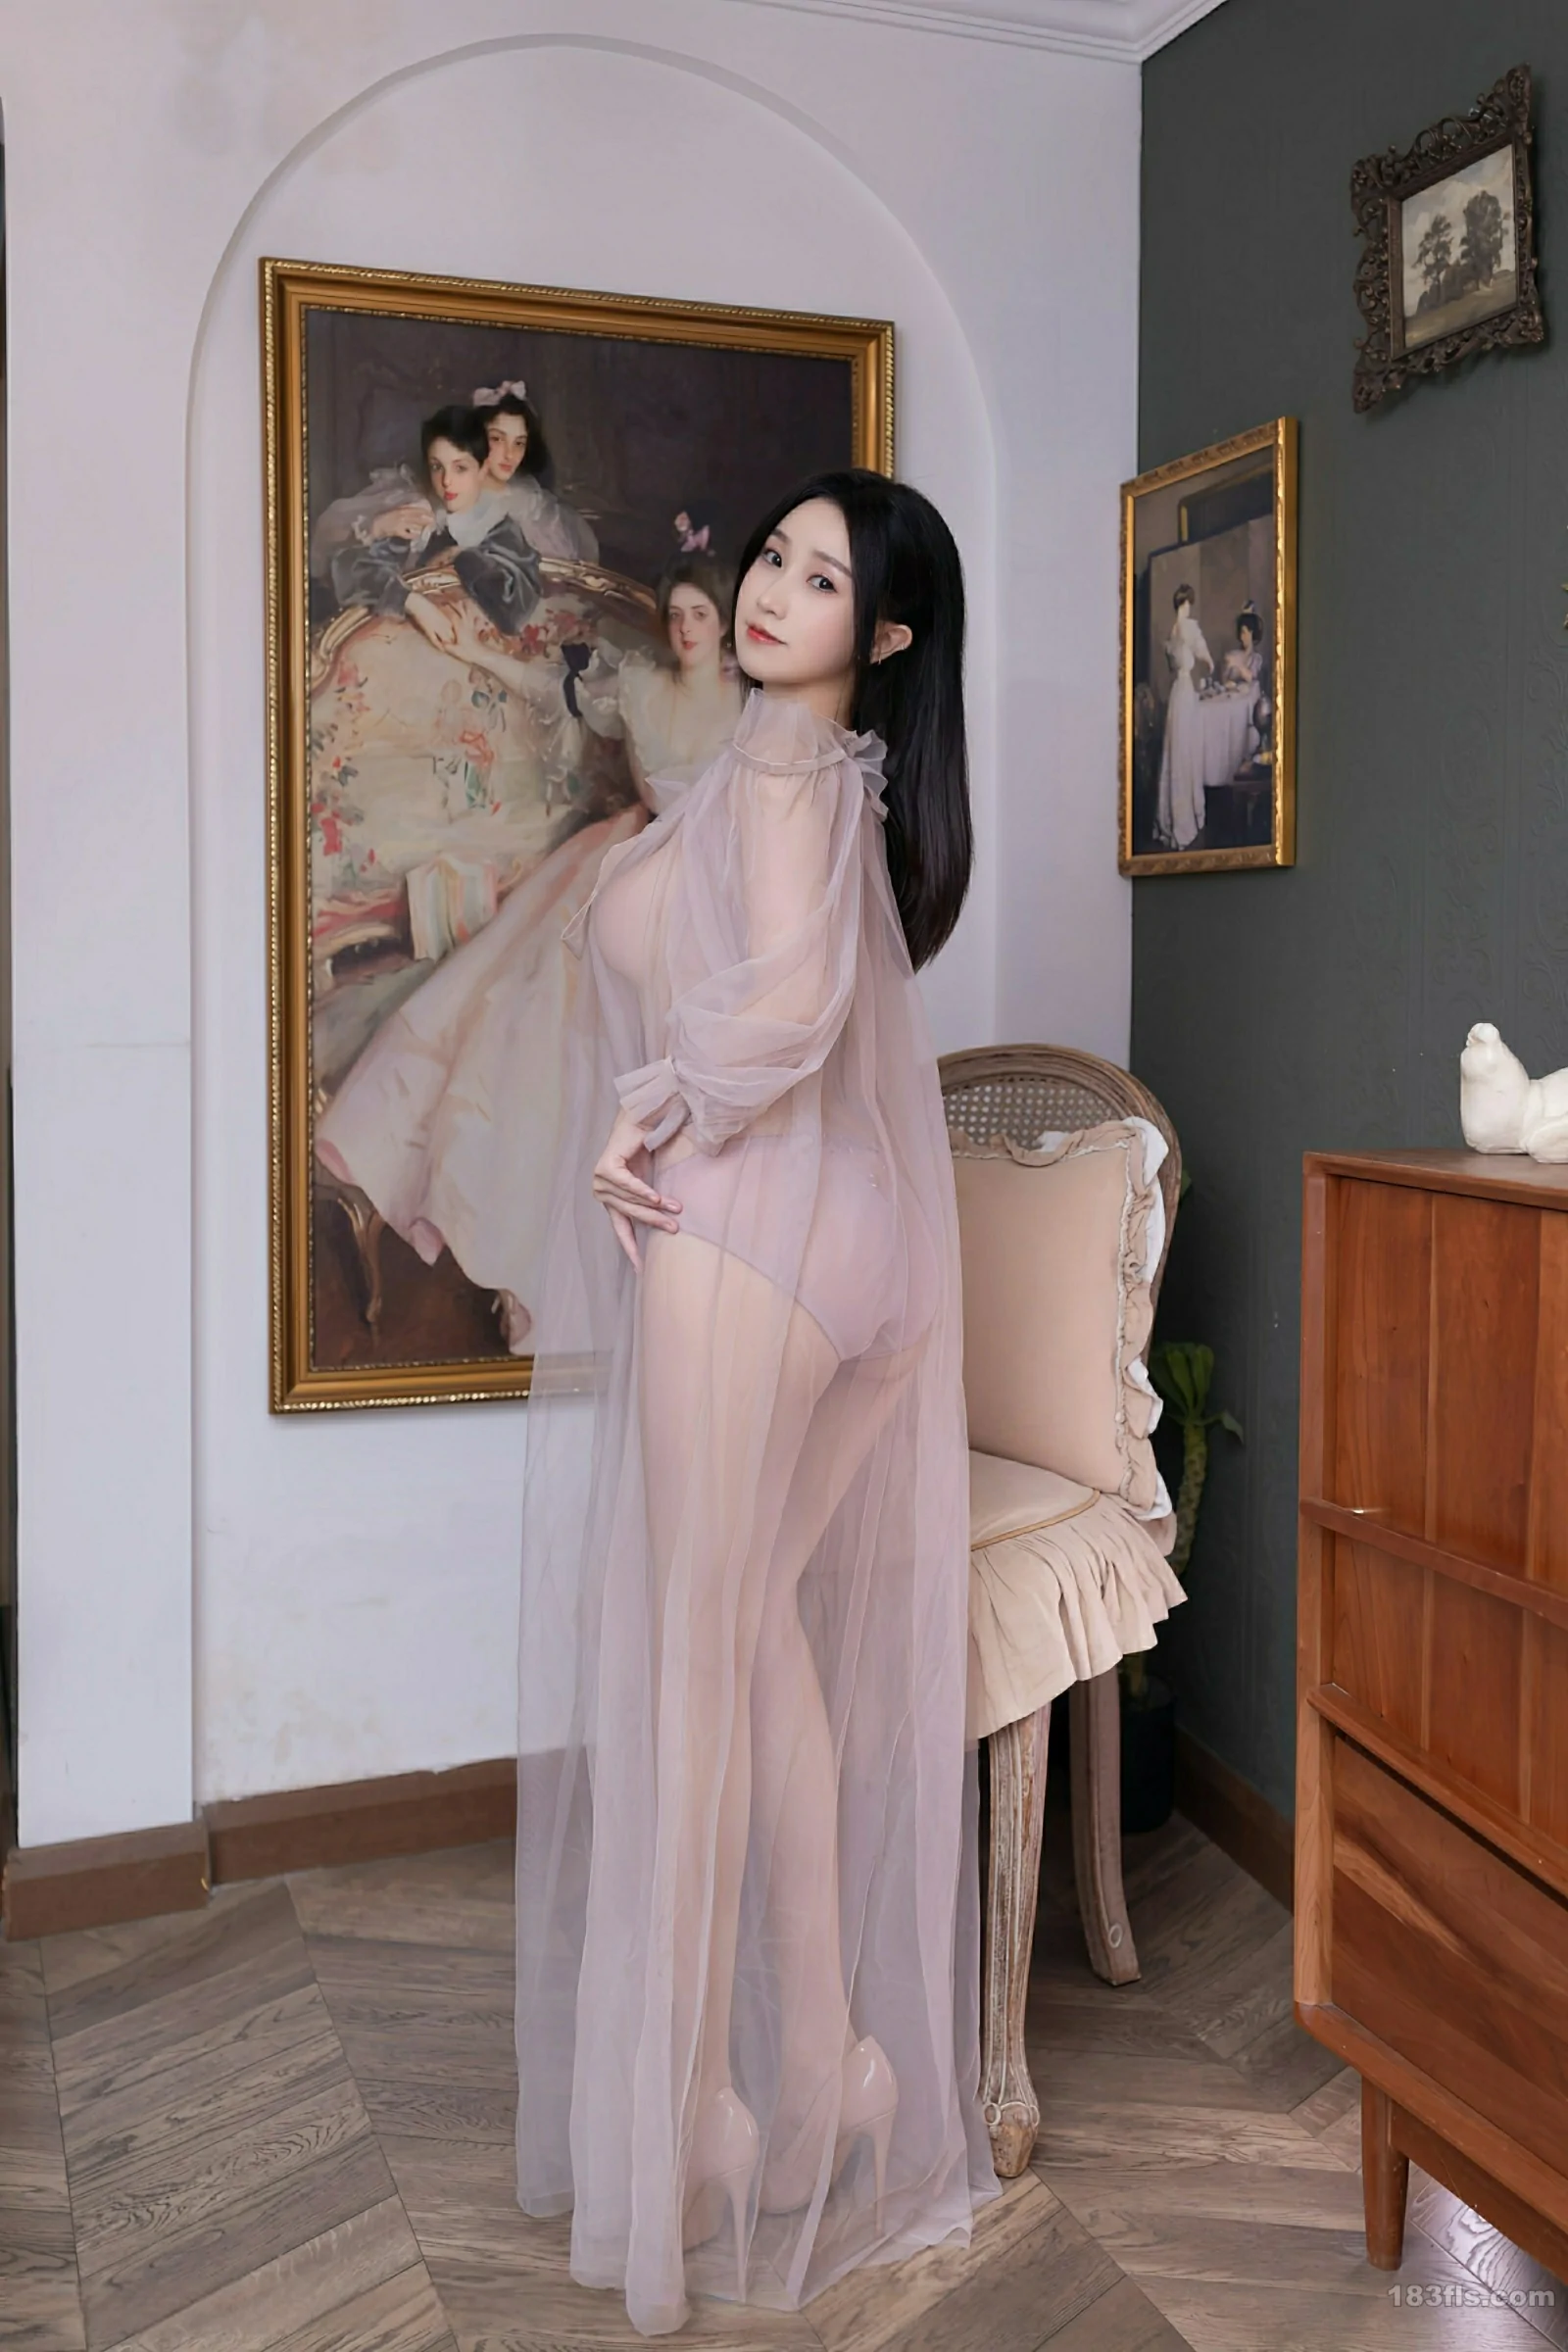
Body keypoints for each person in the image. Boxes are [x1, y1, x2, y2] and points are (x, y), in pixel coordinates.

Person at [514, 470, 996, 2334]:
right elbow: (783, 990)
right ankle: (830, 2066)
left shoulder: (796, 774)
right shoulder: (787, 778)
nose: (783, 591)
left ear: (889, 635)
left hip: (761, 1231)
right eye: (777, 558)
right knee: (757, 1627)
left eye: (827, 579)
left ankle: (698, 2108)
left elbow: (785, 1013)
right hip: (858, 1243)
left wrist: (649, 1112)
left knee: (688, 1651)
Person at [314, 555, 742, 1355]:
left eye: (700, 616)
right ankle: (535, 1265)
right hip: (626, 868)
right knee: (539, 1030)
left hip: (716, 886)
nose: (686, 629)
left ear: (723, 626)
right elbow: (548, 689)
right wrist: (473, 650)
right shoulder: (639, 687)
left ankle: (690, 1277)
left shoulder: (753, 705)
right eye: (677, 614)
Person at [327, 405, 542, 646]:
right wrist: (413, 603)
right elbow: (352, 572)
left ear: (482, 469)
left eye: (460, 468)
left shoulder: (500, 527)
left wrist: (463, 557)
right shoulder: (420, 518)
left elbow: (514, 612)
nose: (447, 481)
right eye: (437, 467)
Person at [472, 379, 601, 561]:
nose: (510, 454)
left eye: (519, 443)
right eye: (498, 439)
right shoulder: (454, 492)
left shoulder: (533, 507)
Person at [1155, 581, 1212, 850]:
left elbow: (1173, 665)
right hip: (1186, 691)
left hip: (1177, 692)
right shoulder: (1188, 627)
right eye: (1189, 603)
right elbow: (1201, 650)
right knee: (1185, 748)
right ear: (1186, 603)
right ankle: (1185, 817)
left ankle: (1172, 815)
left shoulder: (1173, 631)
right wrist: (1209, 662)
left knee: (1176, 749)